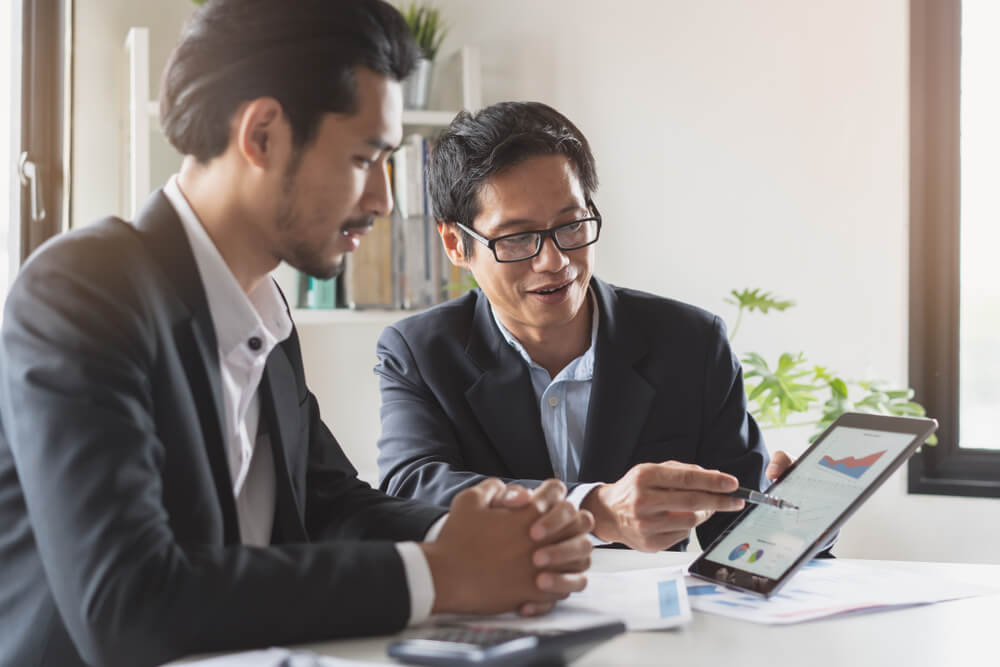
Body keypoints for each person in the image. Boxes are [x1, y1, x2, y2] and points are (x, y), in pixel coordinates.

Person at [0, 5, 594, 666]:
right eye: (366, 159)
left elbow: (327, 501)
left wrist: (487, 534)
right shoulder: (84, 291)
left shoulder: (265, 314)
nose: (381, 201)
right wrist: (442, 572)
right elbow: (127, 603)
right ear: (262, 135)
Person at [375, 101, 794, 553]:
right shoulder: (419, 352)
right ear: (457, 245)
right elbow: (412, 488)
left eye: (571, 225)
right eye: (517, 238)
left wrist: (802, 512)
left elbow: (748, 543)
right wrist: (594, 509)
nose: (554, 261)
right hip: (504, 614)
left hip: (653, 618)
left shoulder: (691, 344)